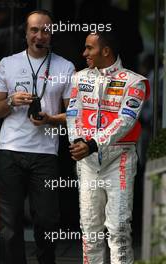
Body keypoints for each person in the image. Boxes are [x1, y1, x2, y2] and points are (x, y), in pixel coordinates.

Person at [0, 9, 75, 264]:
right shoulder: (8, 63)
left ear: (52, 34)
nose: (40, 35)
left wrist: (49, 119)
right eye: (35, 30)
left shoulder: (65, 66)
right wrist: (10, 101)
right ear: (26, 33)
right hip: (11, 149)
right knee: (9, 222)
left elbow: (73, 114)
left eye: (46, 30)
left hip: (46, 152)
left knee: (48, 220)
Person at [66, 31, 150, 264]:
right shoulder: (79, 78)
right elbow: (73, 114)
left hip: (119, 160)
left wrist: (92, 144)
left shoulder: (135, 82)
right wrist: (77, 142)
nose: (84, 53)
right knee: (90, 231)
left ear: (106, 51)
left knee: (118, 230)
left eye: (89, 48)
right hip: (89, 163)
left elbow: (126, 121)